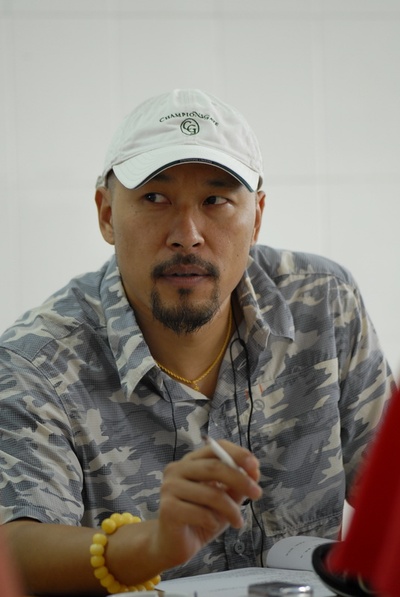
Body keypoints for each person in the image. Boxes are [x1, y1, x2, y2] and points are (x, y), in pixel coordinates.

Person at [0, 89, 395, 596]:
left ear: (256, 216)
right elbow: (16, 550)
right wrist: (151, 544)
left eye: (215, 200)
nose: (187, 235)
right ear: (106, 214)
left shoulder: (322, 301)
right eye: (155, 198)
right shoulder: (37, 361)